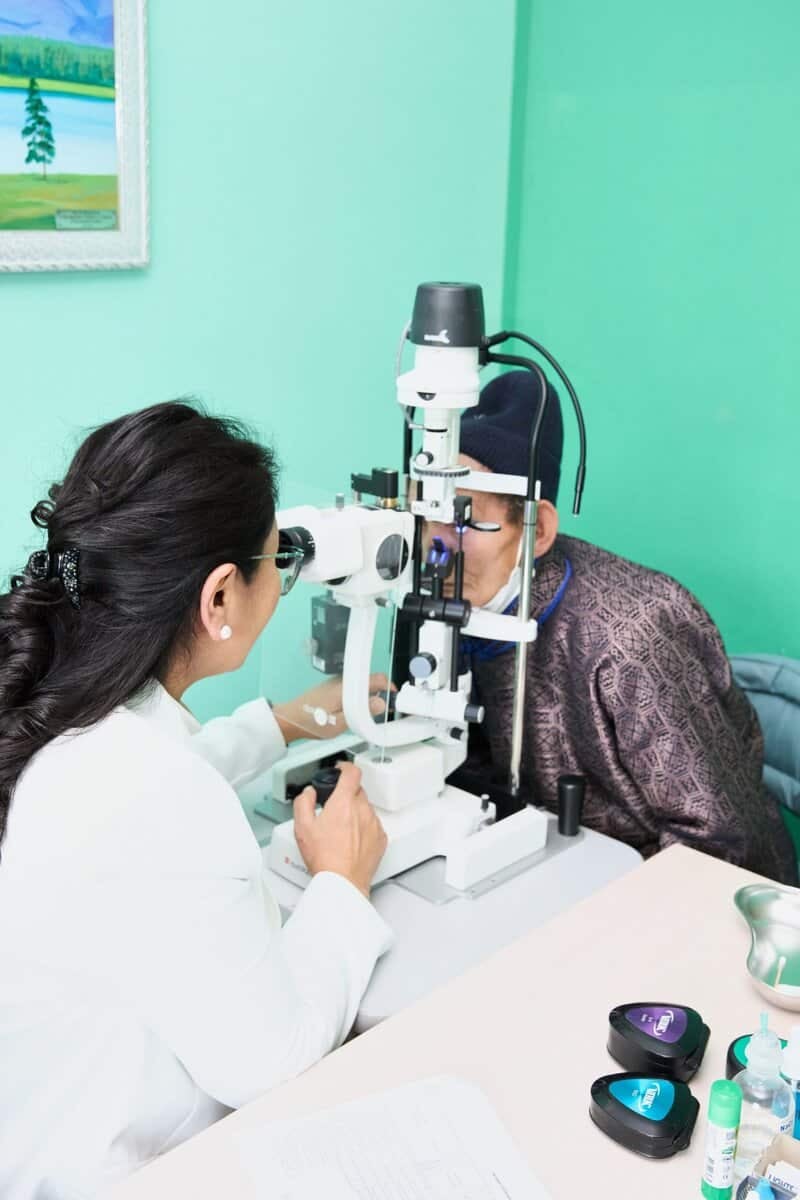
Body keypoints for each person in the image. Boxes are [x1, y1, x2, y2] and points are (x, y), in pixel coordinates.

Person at [0, 401, 393, 1199]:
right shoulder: (150, 790)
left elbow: (138, 791)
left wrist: (281, 723)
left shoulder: (56, 709)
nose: (283, 583)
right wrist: (343, 885)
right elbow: (271, 1060)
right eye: (276, 562)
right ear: (220, 599)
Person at [428, 370, 797, 884]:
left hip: (675, 893)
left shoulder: (632, 636)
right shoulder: (443, 603)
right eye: (428, 513)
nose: (436, 544)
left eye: (464, 517)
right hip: (542, 863)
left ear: (539, 530)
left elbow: (720, 841)